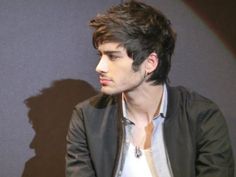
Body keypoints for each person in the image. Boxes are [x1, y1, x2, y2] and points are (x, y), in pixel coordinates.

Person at [65, 1, 234, 177]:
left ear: (150, 63)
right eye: (100, 55)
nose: (100, 67)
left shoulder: (202, 116)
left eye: (113, 56)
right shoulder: (86, 117)